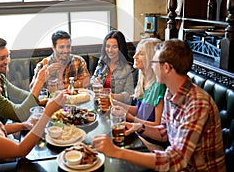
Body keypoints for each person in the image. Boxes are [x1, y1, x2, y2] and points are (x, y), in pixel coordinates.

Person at [92, 39, 226, 171]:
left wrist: (116, 152)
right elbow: (164, 132)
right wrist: (138, 127)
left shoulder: (198, 103)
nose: (151, 66)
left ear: (167, 68)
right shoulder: (170, 92)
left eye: (154, 62)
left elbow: (176, 160)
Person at [112, 38, 167, 148]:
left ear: (152, 58)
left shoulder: (159, 85)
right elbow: (140, 110)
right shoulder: (143, 79)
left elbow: (158, 126)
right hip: (138, 135)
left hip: (151, 143)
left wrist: (130, 118)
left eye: (141, 53)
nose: (134, 56)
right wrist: (116, 103)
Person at [0, 36, 43, 123]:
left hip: (4, 126)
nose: (7, 61)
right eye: (1, 58)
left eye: (7, 56)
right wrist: (40, 81)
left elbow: (20, 95)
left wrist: (45, 100)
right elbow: (20, 115)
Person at [91, 30, 134, 103]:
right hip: (100, 103)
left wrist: (109, 95)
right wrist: (94, 82)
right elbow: (93, 79)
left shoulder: (129, 67)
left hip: (119, 106)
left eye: (114, 47)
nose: (110, 50)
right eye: (107, 46)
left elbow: (129, 95)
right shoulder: (102, 61)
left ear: (121, 48)